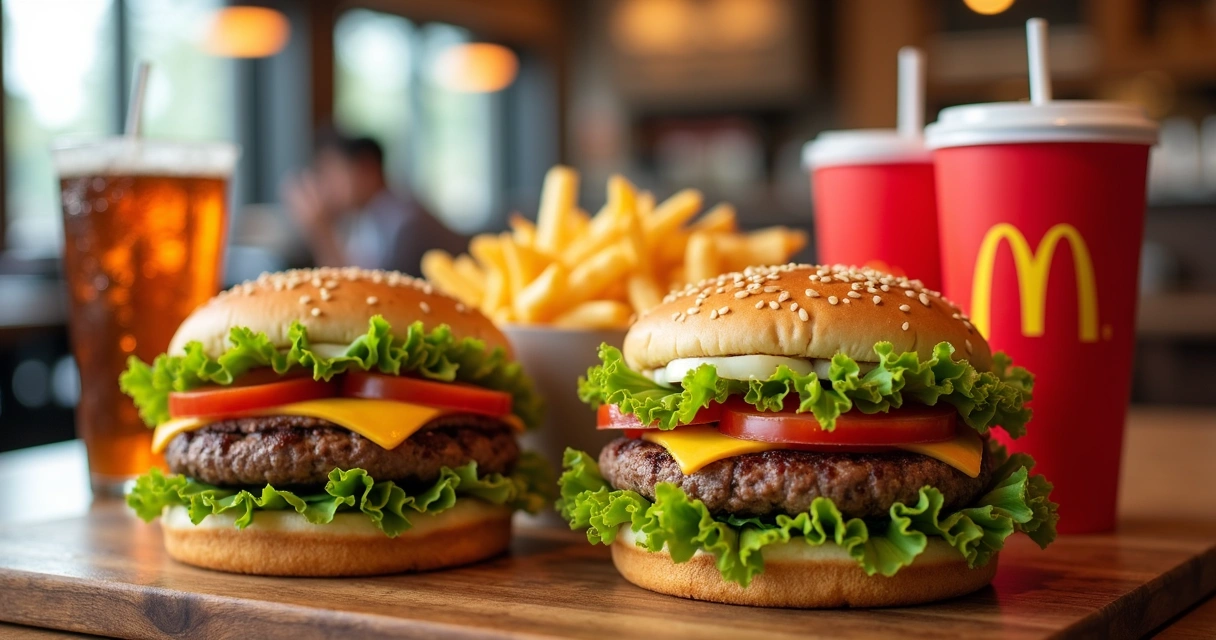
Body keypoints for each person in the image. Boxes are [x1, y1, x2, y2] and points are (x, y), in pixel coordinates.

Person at [282, 132, 467, 275]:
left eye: (332, 173)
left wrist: (321, 231)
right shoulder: (368, 219)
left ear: (367, 169)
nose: (327, 186)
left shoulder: (405, 225)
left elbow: (369, 299)